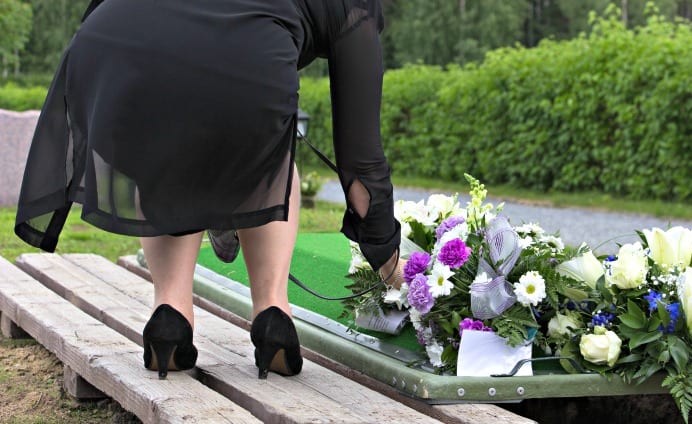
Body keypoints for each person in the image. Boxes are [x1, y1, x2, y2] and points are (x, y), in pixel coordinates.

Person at [14, 0, 404, 380]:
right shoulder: (356, 7)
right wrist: (388, 260)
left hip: (115, 54)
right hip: (238, 65)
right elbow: (361, 164)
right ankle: (272, 312)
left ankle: (170, 313)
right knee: (273, 161)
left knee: (168, 159)